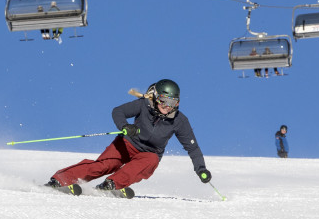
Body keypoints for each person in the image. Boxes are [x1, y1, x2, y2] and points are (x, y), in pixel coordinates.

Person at [46, 79, 212, 192]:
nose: (167, 106)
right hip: (126, 144)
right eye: (164, 100)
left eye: (173, 102)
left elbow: (193, 147)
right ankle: (60, 179)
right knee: (103, 166)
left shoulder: (179, 120)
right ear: (156, 97)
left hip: (147, 154)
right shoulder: (143, 105)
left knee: (152, 160)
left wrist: (201, 169)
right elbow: (118, 111)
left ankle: (112, 184)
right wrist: (125, 126)